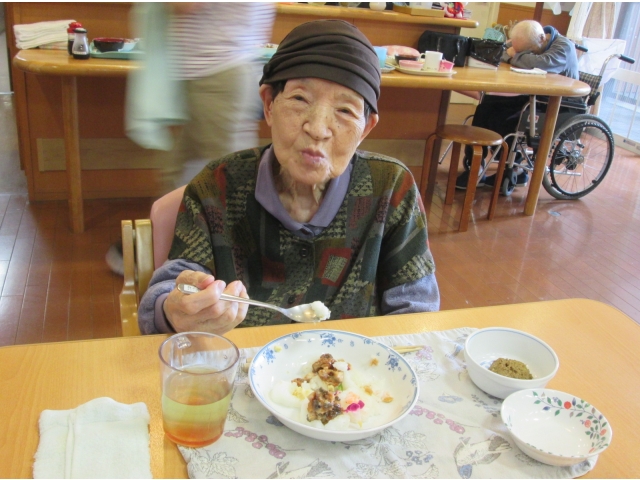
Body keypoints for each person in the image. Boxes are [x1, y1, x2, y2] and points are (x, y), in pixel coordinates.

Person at [137, 19, 440, 335]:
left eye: (345, 111)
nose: (318, 129)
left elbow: (417, 309)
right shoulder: (216, 187)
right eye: (300, 99)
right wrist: (174, 310)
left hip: (358, 364)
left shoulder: (390, 188)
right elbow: (167, 293)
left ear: (365, 129)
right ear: (269, 104)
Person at [106, 2, 275, 275]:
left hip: (217, 76)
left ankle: (238, 265)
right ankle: (158, 248)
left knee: (224, 180)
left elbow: (185, 4)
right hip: (210, 75)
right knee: (183, 172)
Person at [455, 20, 579, 190]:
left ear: (542, 39)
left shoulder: (563, 47)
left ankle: (513, 168)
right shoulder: (530, 38)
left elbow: (542, 63)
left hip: (555, 105)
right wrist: (518, 55)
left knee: (507, 119)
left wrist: (515, 55)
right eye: (518, 49)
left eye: (527, 51)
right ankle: (476, 163)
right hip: (532, 96)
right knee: (486, 106)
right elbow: (501, 52)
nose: (520, 54)